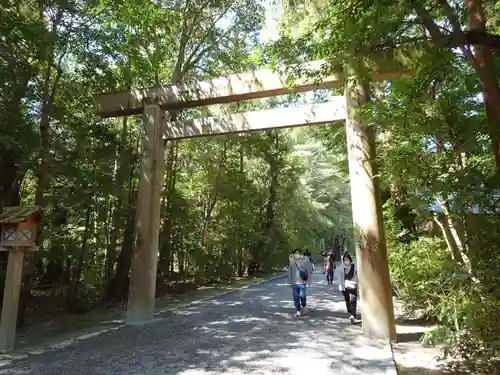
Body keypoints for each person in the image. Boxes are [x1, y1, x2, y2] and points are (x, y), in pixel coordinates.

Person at [288, 249, 312, 317]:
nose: (297, 254)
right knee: (296, 297)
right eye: (295, 253)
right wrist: (290, 282)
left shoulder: (304, 260)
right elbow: (290, 272)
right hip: (294, 283)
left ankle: (304, 306)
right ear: (293, 254)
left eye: (298, 253)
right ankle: (298, 310)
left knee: (302, 296)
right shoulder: (292, 262)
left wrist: (309, 281)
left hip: (302, 282)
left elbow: (308, 270)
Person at [338, 252, 358, 323]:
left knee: (353, 299)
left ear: (350, 260)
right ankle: (350, 311)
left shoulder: (354, 266)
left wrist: (355, 282)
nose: (346, 261)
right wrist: (340, 284)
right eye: (344, 260)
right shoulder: (341, 267)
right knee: (347, 299)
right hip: (345, 286)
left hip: (352, 285)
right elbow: (340, 277)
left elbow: (357, 275)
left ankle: (353, 315)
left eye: (347, 259)